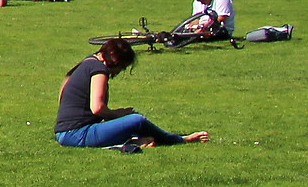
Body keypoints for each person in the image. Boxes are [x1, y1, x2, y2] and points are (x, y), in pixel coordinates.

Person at [53, 37, 206, 148]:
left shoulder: (87, 62)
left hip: (64, 132)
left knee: (126, 125)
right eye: (122, 68)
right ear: (116, 62)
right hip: (77, 134)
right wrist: (119, 114)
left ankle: (139, 140)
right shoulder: (99, 70)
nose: (120, 72)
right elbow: (97, 108)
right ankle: (178, 140)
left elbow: (64, 89)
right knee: (136, 120)